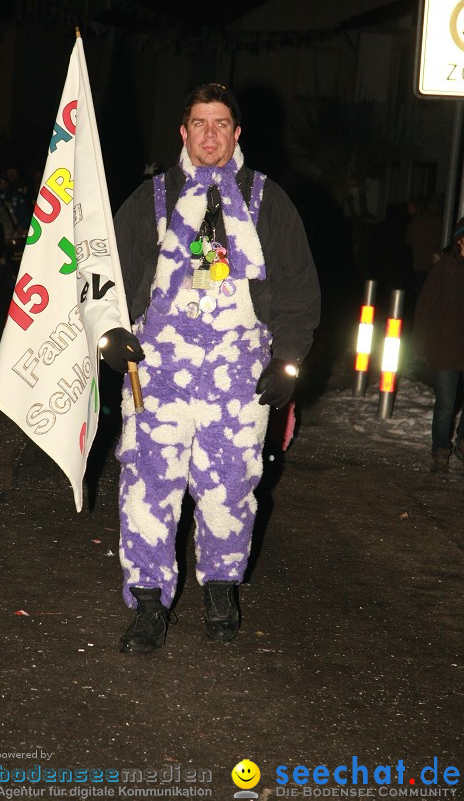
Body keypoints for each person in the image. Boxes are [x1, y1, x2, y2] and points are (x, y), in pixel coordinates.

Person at [99, 83, 320, 653]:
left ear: (237, 132)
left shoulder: (269, 202)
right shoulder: (150, 200)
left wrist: (288, 361)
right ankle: (148, 603)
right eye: (200, 123)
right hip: (159, 376)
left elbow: (298, 288)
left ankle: (221, 589)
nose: (210, 135)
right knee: (147, 485)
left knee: (231, 487)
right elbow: (106, 277)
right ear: (183, 131)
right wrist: (110, 333)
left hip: (238, 377)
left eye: (221, 124)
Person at [413, 216, 464, 475]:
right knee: (446, 402)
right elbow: (425, 307)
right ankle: (440, 449)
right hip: (445, 347)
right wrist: (421, 344)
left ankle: (462, 443)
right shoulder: (446, 267)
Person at [0, 172, 32, 293]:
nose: (0, 184)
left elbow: (25, 214)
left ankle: (13, 290)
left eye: (3, 181)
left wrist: (21, 229)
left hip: (14, 235)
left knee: (14, 262)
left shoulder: (16, 197)